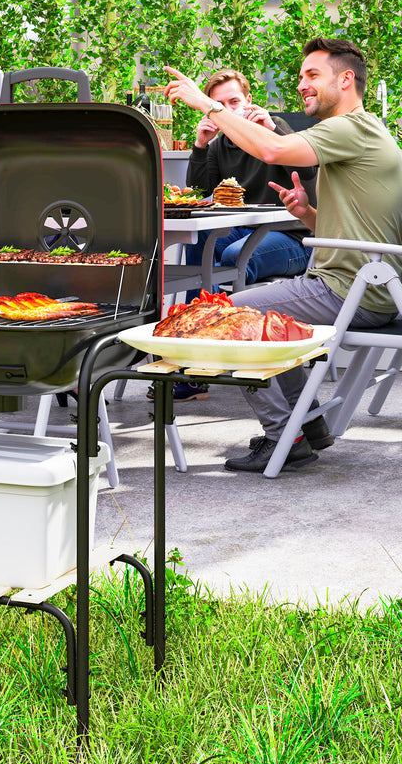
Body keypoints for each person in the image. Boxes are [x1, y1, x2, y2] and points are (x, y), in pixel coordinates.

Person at [165, 37, 402, 472]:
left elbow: (271, 149)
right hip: (361, 285)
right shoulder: (366, 132)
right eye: (300, 77)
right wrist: (307, 212)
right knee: (265, 320)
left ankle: (283, 437)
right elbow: (359, 232)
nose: (302, 85)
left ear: (346, 79)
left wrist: (207, 104)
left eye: (313, 75)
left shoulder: (351, 127)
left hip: (350, 290)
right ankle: (306, 428)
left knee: (217, 318)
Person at [167, 68, 319, 404]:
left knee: (235, 256)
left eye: (234, 101)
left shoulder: (277, 132)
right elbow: (198, 191)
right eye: (219, 104)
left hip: (292, 237)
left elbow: (309, 172)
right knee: (199, 244)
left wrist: (273, 130)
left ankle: (231, 351)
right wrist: (201, 144)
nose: (228, 109)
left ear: (249, 100)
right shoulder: (221, 145)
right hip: (244, 229)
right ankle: (195, 356)